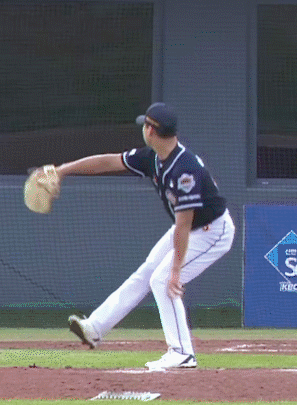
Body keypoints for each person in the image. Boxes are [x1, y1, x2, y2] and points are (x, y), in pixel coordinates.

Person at [57, 102, 235, 370]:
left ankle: (182, 352)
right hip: (189, 227)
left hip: (213, 232)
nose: (143, 129)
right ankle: (95, 327)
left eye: (146, 125)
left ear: (151, 131)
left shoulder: (184, 170)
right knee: (148, 271)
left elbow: (184, 224)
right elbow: (108, 161)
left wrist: (176, 271)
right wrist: (62, 170)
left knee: (163, 279)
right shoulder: (152, 157)